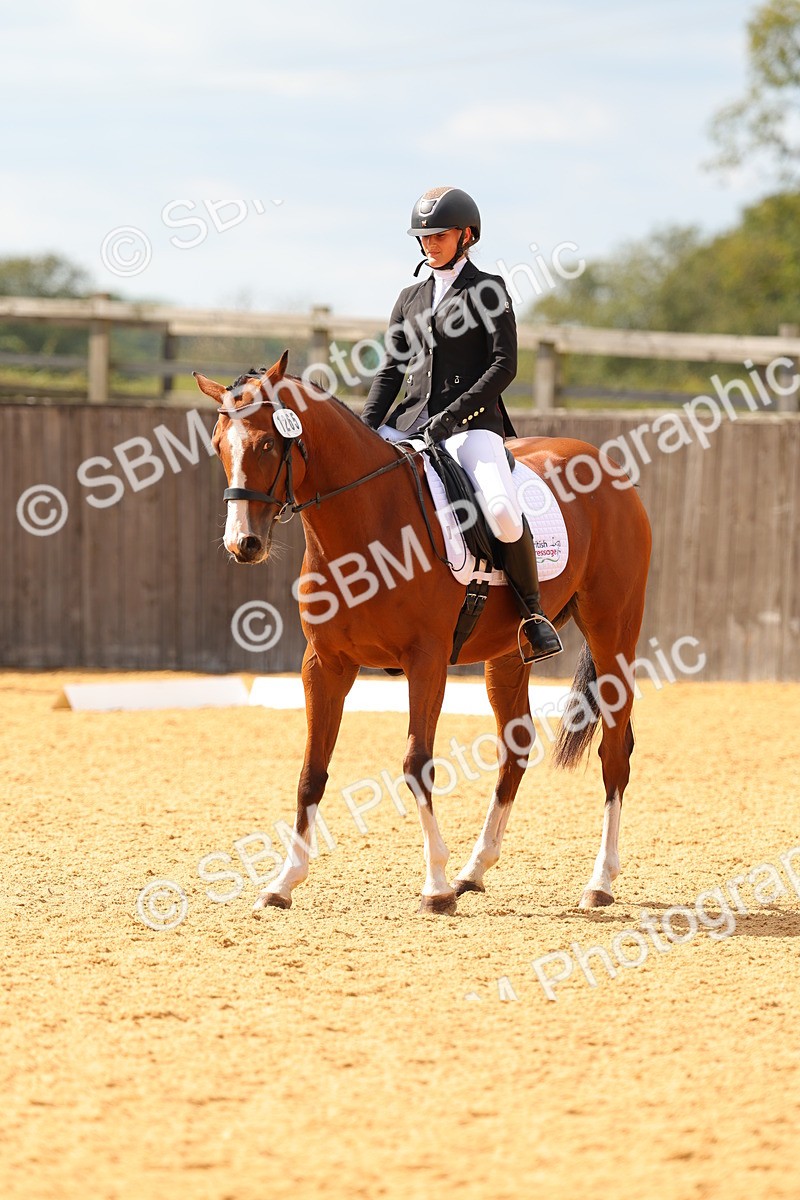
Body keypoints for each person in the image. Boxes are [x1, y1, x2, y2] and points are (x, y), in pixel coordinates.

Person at [361, 185, 562, 662]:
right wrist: (367, 430)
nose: (430, 244)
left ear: (466, 235)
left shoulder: (487, 289)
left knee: (504, 513)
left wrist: (452, 416)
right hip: (409, 425)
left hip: (471, 428)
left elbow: (503, 366)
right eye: (423, 237)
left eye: (440, 235)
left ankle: (533, 615)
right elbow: (391, 370)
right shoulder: (409, 297)